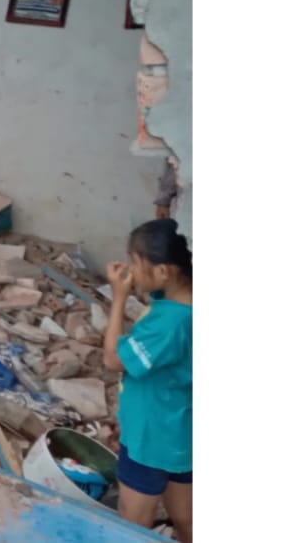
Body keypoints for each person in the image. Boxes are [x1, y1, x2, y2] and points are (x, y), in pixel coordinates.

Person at [103, 219, 193, 543]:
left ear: (164, 272)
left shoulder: (170, 323)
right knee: (187, 520)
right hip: (181, 435)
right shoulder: (184, 305)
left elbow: (112, 359)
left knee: (131, 528)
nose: (130, 269)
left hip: (149, 438)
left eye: (136, 263)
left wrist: (118, 297)